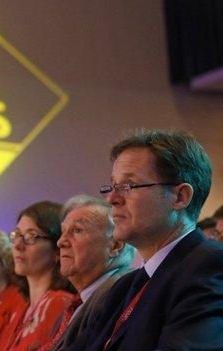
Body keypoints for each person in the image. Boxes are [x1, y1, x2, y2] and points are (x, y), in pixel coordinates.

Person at [82, 129, 223, 350]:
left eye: (128, 186)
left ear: (180, 197)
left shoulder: (210, 268)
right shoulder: (124, 287)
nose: (112, 198)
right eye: (113, 186)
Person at [50, 195, 135, 350]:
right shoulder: (87, 300)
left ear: (115, 245)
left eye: (77, 230)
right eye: (63, 231)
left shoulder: (118, 297)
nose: (61, 241)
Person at [1, 201, 76, 351]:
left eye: (31, 237)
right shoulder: (21, 308)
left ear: (57, 249)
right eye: (17, 235)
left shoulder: (61, 304)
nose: (17, 245)